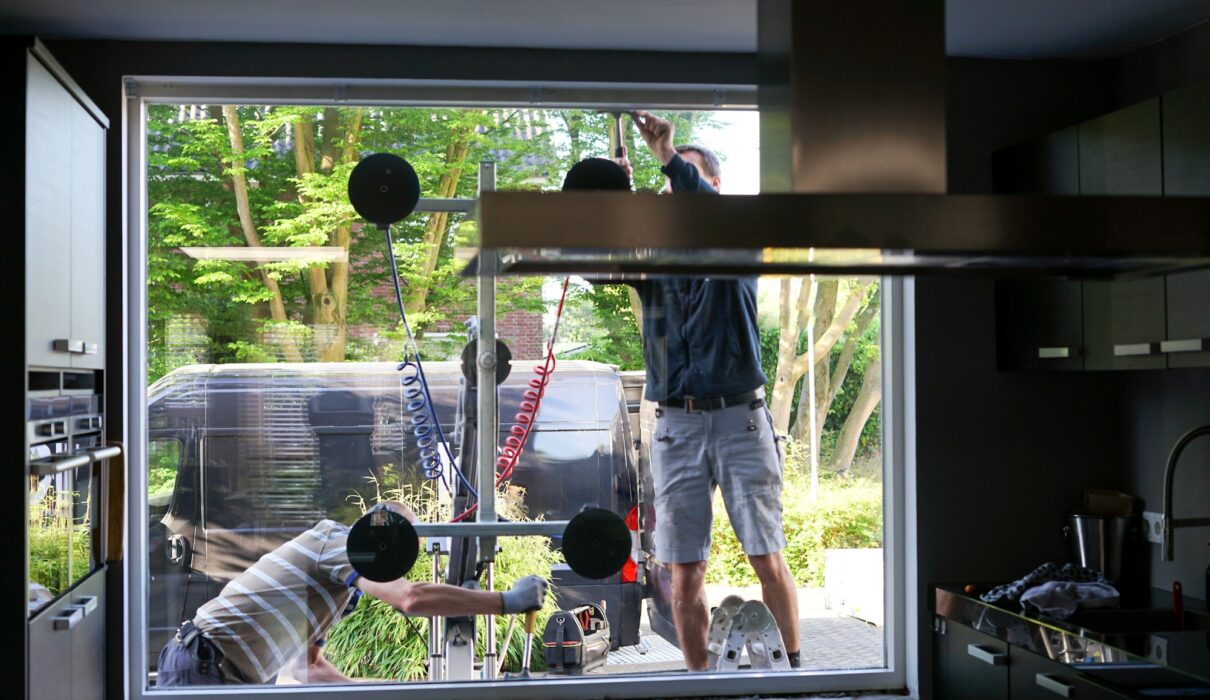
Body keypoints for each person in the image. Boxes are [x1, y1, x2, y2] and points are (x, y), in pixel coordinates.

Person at [622, 110, 801, 671]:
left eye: (686, 184)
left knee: (766, 558)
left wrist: (670, 160)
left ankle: (795, 670)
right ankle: (696, 680)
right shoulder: (650, 264)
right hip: (675, 425)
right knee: (683, 571)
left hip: (740, 421)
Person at [156, 501, 548, 686]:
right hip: (203, 667)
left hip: (220, 672)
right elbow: (410, 598)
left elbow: (306, 668)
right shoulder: (337, 541)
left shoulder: (333, 589)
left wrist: (380, 694)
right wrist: (505, 601)